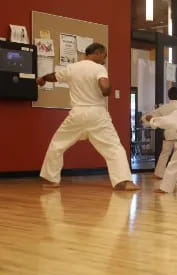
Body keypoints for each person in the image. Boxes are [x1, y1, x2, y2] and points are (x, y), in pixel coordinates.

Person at [37, 43, 139, 191]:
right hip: (97, 114)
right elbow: (104, 86)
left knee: (57, 145)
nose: (105, 59)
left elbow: (53, 76)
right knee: (113, 148)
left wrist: (42, 79)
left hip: (77, 114)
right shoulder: (99, 68)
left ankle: (52, 180)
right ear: (97, 53)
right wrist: (107, 90)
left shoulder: (72, 68)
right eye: (104, 56)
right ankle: (124, 182)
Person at [142, 87, 177, 181]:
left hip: (169, 134)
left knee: (164, 154)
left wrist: (145, 119)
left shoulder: (164, 107)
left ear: (168, 96)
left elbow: (150, 116)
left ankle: (159, 173)